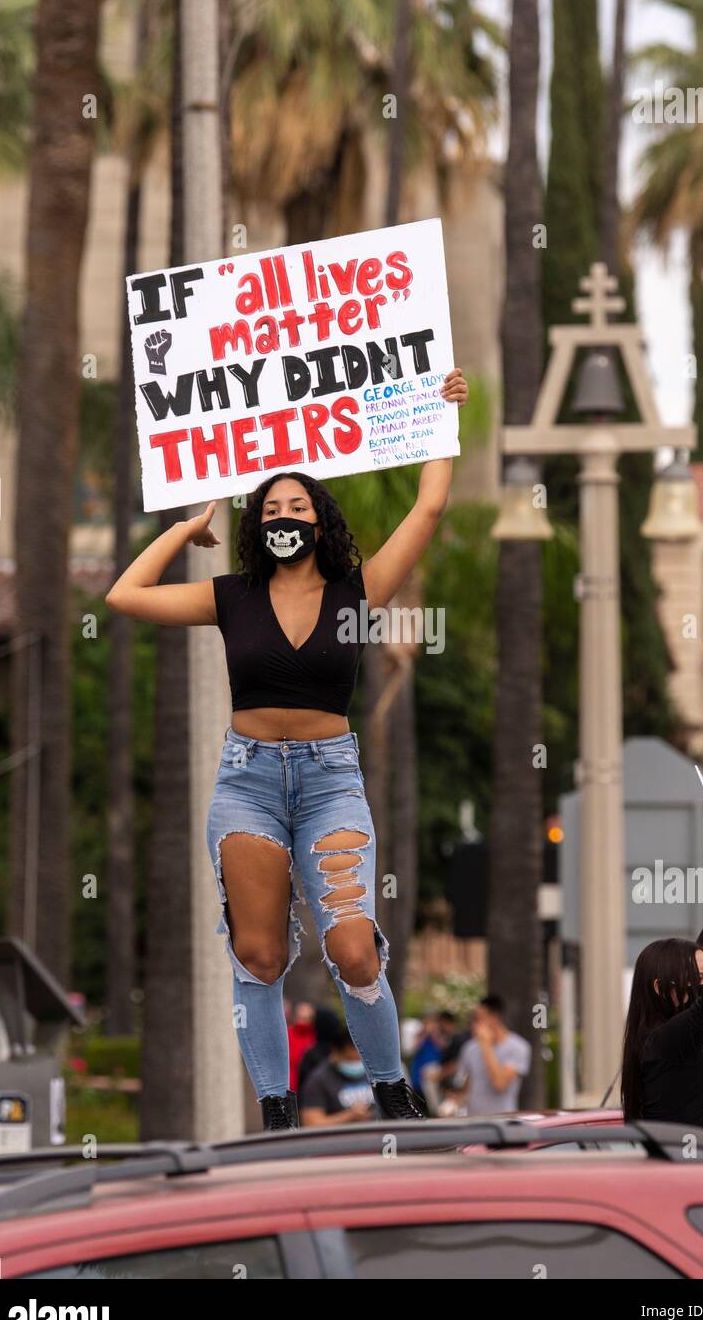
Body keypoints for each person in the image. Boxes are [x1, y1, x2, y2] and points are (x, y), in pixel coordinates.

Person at [105, 368, 468, 1131]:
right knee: (261, 955)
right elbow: (125, 597)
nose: (284, 516)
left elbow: (430, 508)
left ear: (320, 519)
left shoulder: (354, 594)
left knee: (354, 948)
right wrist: (182, 530)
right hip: (249, 785)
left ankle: (392, 1092)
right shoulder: (229, 596)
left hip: (332, 780)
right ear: (256, 523)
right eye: (271, 507)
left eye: (298, 506)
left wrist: (443, 416)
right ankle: (276, 1108)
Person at [621, 849, 703, 1136]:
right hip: (695, 1174)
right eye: (698, 979)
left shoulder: (665, 1037)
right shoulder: (665, 1041)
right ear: (661, 988)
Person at [456, 995, 532, 1115]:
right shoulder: (470, 1048)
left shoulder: (518, 1047)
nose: (475, 1024)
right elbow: (467, 1085)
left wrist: (486, 1046)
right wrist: (454, 1103)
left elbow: (500, 1083)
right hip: (473, 1120)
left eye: (479, 1018)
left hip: (503, 1121)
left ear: (495, 1017)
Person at [300, 1025, 379, 1126]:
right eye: (350, 1059)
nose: (357, 1063)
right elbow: (311, 1124)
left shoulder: (376, 1072)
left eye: (360, 1059)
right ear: (336, 1052)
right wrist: (349, 1116)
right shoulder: (318, 1080)